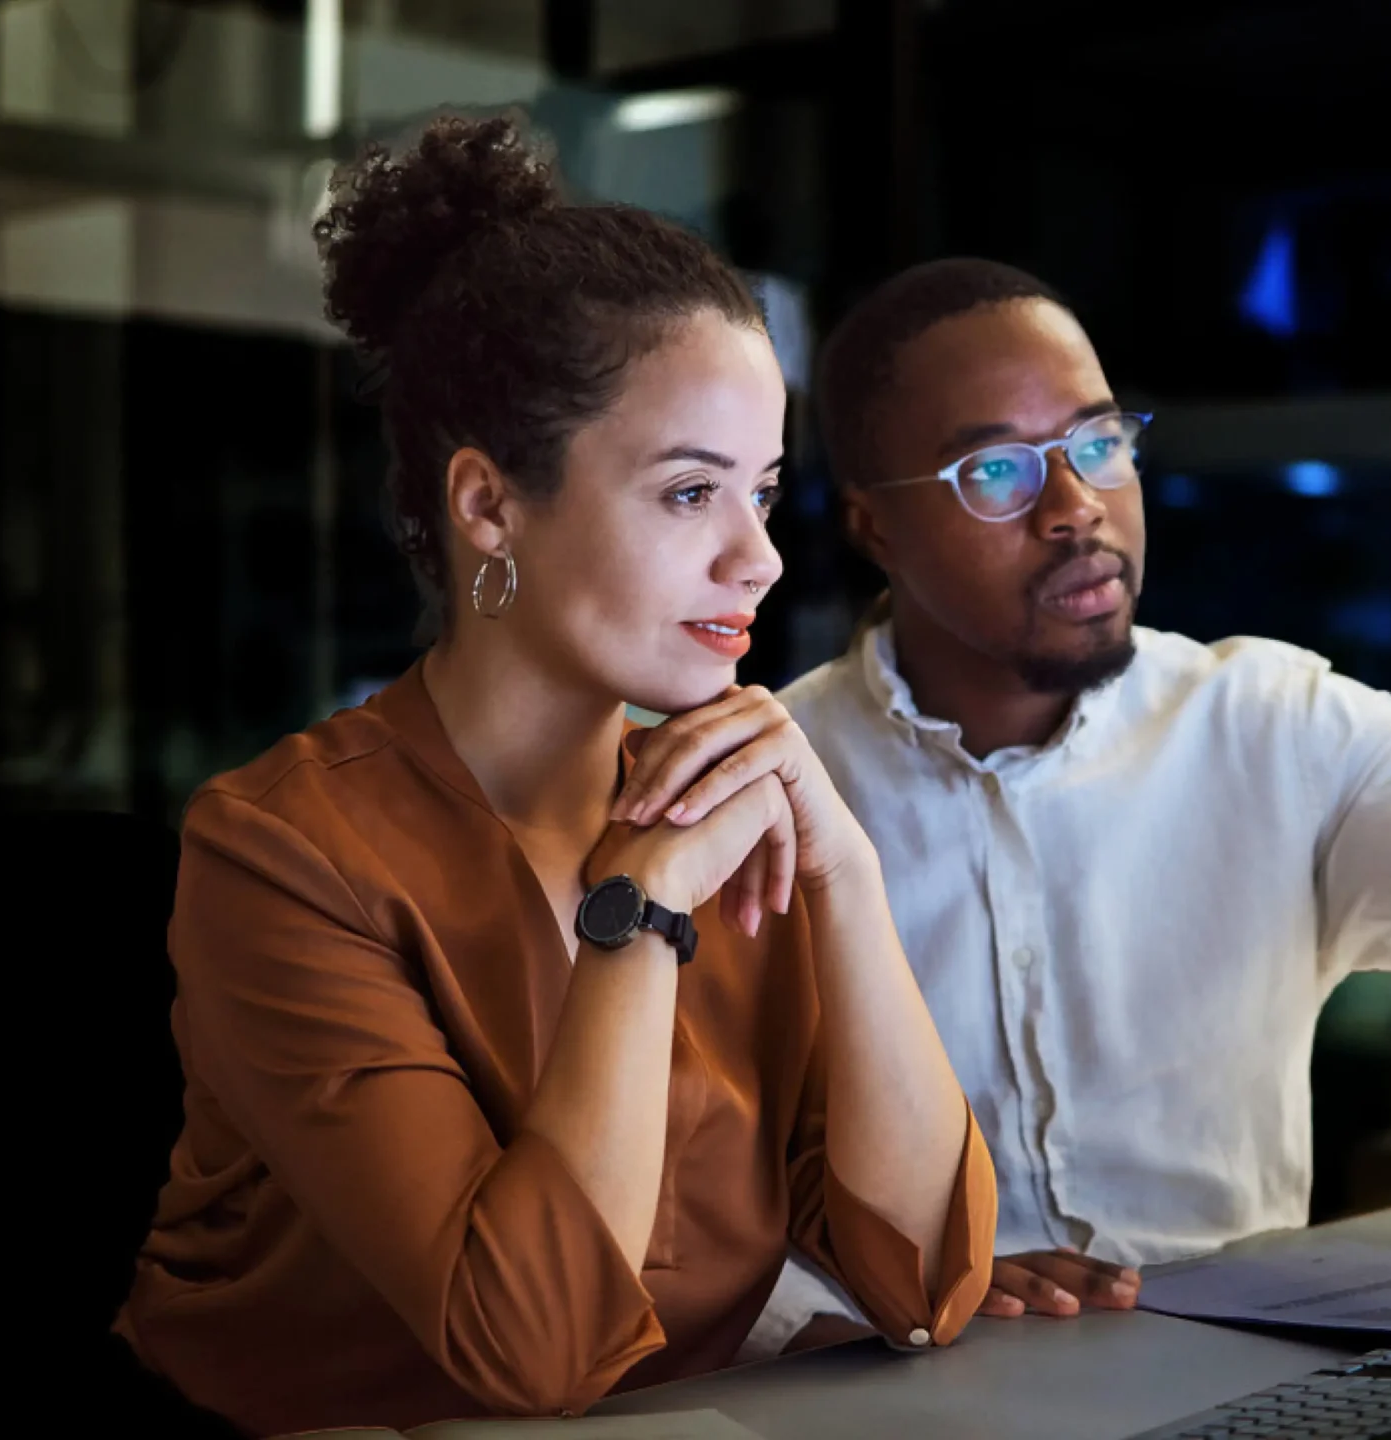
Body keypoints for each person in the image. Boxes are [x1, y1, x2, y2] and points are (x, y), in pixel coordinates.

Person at [112, 119, 995, 1437]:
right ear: (488, 507)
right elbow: (530, 1352)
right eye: (691, 494)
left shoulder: (732, 812)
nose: (757, 559)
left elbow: (923, 1282)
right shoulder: (282, 852)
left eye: (760, 492)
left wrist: (849, 880)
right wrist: (632, 919)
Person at [696, 258, 1391, 1351]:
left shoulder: (1275, 724)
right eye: (995, 472)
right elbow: (683, 1206)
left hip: (1245, 1377)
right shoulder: (763, 791)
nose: (1076, 507)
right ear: (873, 529)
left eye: (1099, 445)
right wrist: (873, 1295)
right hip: (894, 1382)